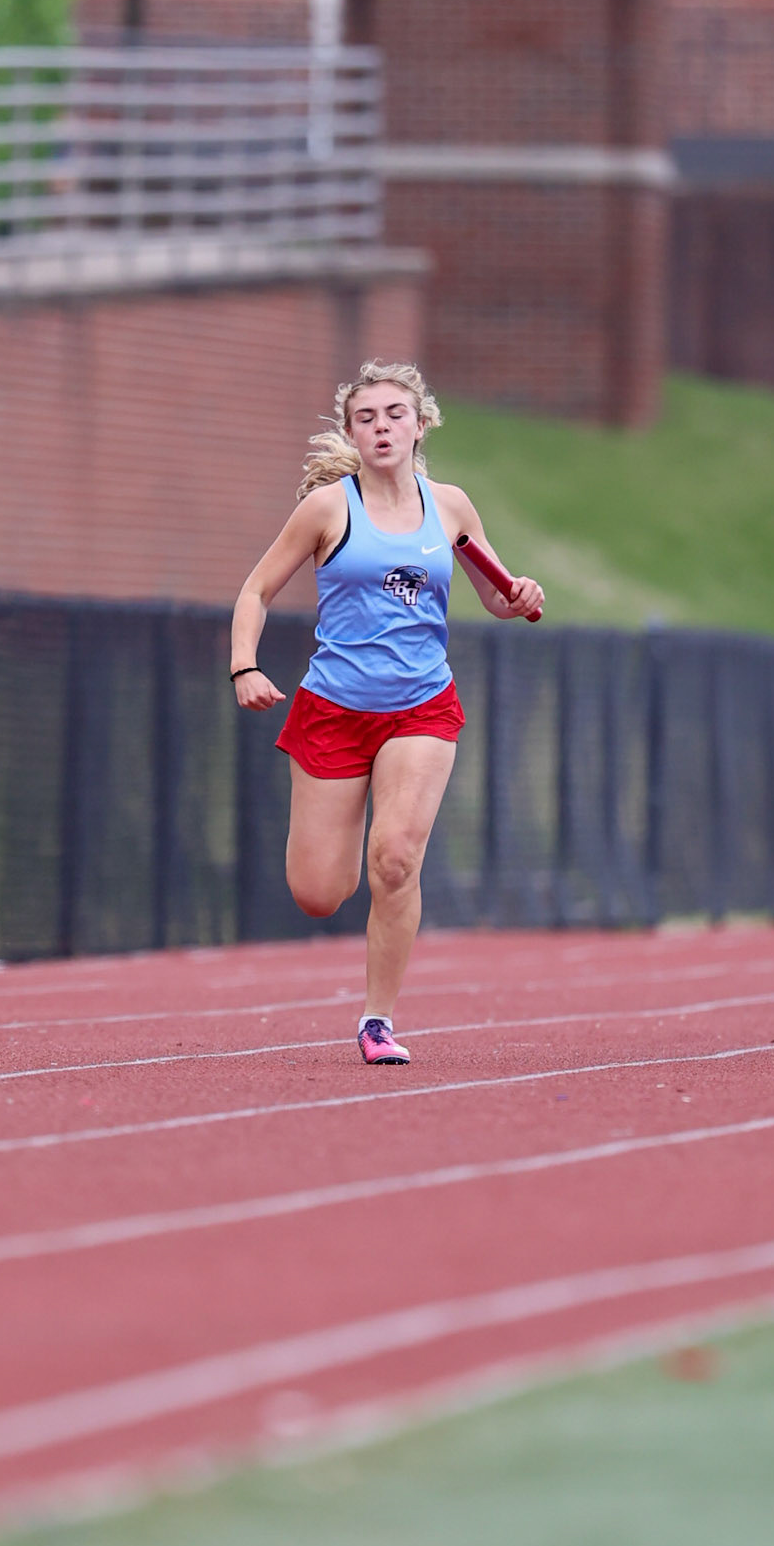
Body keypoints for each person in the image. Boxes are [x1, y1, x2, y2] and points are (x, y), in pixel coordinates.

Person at [231, 361, 543, 1066]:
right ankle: (339, 891)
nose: (381, 427)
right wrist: (245, 665)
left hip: (422, 707)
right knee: (318, 893)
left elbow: (495, 592)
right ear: (351, 431)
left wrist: (520, 594)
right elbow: (255, 591)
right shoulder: (327, 511)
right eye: (367, 418)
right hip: (333, 708)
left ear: (420, 423)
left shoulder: (451, 506)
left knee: (395, 860)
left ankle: (378, 1020)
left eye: (394, 414)